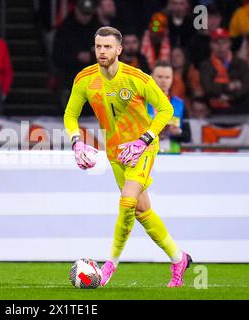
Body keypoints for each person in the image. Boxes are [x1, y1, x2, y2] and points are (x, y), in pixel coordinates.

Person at [63, 26, 192, 288]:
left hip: (141, 149)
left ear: (119, 50)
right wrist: (77, 143)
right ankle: (179, 259)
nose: (101, 51)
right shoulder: (85, 79)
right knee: (142, 210)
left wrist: (144, 139)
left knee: (126, 200)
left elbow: (165, 109)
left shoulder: (136, 78)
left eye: (107, 47)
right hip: (114, 151)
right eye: (98, 46)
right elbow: (70, 116)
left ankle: (110, 265)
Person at [53, 0, 101, 106]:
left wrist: (92, 57)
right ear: (76, 10)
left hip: (95, 84)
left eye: (89, 14)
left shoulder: (99, 29)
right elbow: (57, 55)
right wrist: (76, 57)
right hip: (70, 80)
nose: (86, 17)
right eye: (83, 13)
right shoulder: (65, 29)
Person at [200, 28, 249, 115]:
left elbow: (248, 87)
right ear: (211, 45)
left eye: (224, 43)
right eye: (216, 43)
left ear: (229, 44)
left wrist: (230, 97)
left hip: (238, 105)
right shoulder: (205, 65)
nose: (220, 47)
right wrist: (229, 86)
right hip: (213, 108)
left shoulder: (241, 64)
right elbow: (208, 88)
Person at [150, 60, 191, 153]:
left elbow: (188, 137)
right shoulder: (142, 103)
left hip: (173, 160)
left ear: (172, 79)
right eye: (160, 77)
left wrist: (178, 133)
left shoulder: (179, 104)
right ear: (152, 77)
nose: (163, 81)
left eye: (167, 77)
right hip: (148, 158)